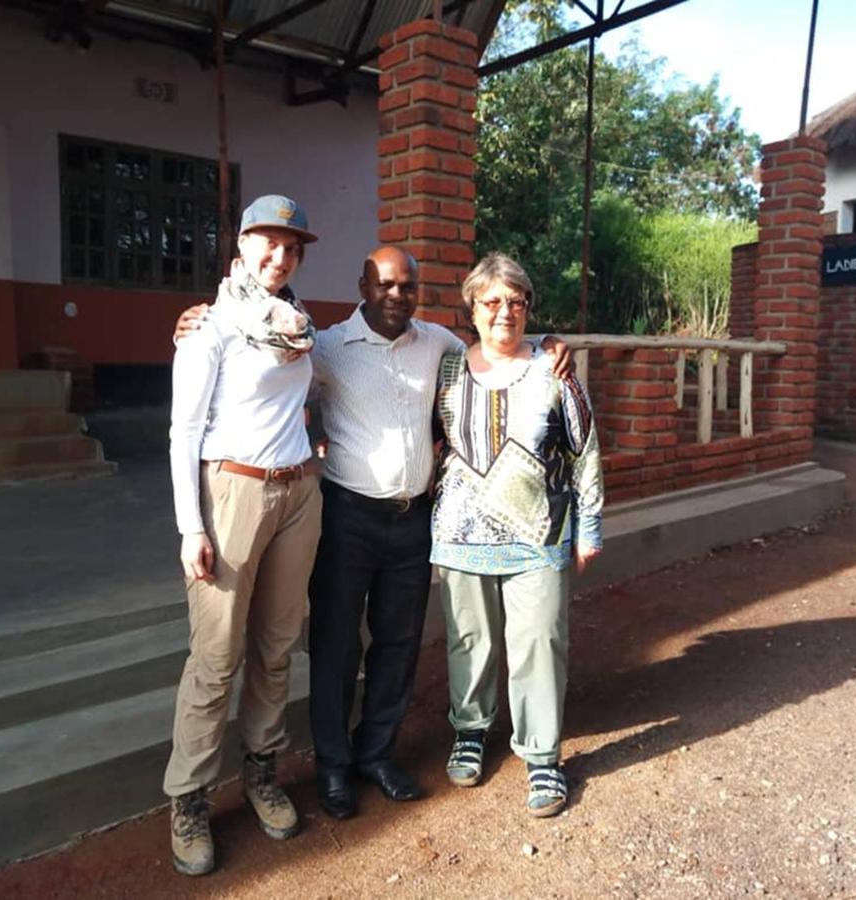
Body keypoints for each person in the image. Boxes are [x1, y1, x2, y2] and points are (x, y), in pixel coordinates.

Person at [174, 247, 572, 822]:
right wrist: (192, 324)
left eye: (407, 287)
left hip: (412, 521)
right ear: (363, 285)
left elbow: (500, 348)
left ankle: (377, 754)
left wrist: (552, 343)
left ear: (419, 292)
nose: (397, 296)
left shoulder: (439, 345)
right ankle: (333, 765)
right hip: (346, 518)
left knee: (398, 642)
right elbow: (258, 381)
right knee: (336, 645)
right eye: (385, 285)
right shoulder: (327, 347)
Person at [164, 194, 323, 877]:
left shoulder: (299, 325)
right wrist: (189, 526)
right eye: (268, 242)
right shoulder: (211, 326)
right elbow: (183, 434)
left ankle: (261, 769)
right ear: (240, 246)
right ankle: (189, 797)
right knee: (216, 654)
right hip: (232, 490)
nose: (280, 256)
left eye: (292, 247)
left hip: (297, 494)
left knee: (278, 644)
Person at [430, 253, 603, 818]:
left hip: (538, 532)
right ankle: (471, 730)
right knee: (469, 642)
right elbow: (429, 440)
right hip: (460, 534)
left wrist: (589, 527)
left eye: (516, 301)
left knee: (538, 644)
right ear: (472, 308)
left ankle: (542, 756)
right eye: (492, 302)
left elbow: (584, 453)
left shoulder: (554, 370)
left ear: (529, 308)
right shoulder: (450, 369)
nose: (505, 312)